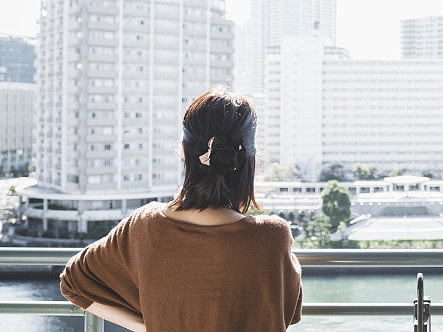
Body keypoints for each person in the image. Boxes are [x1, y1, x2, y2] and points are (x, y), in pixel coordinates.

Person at [60, 86, 302, 332]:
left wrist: (149, 326)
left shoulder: (144, 225)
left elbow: (73, 282)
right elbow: (289, 311)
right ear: (250, 160)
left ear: (186, 154)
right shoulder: (272, 237)